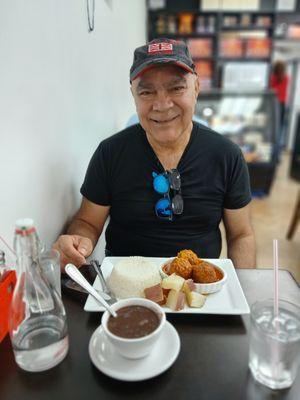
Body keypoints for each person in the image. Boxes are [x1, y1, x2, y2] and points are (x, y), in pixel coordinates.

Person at [53, 38, 256, 270]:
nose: (162, 104)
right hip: (126, 287)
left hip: (199, 289)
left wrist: (244, 292)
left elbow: (241, 235)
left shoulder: (227, 156)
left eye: (176, 87)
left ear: (196, 88)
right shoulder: (110, 153)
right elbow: (87, 221)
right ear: (134, 95)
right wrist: (80, 241)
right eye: (147, 92)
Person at [270, 60, 289, 146]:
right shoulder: (286, 78)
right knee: (280, 128)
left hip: (273, 105)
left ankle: (272, 146)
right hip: (282, 105)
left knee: (271, 128)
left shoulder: (272, 78)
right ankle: (277, 150)